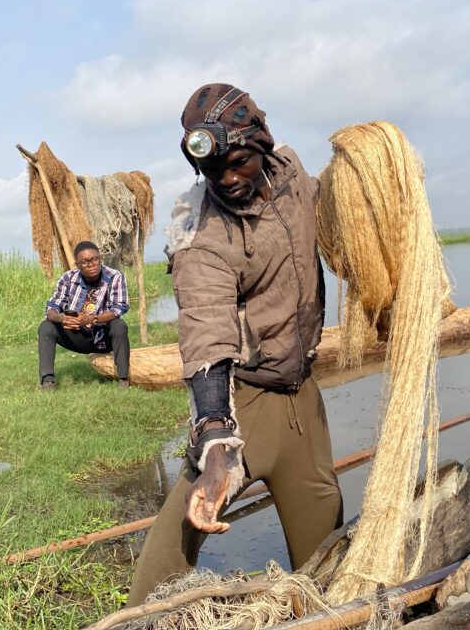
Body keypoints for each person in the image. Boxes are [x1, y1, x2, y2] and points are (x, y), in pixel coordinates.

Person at [127, 84, 343, 606]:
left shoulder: (293, 175)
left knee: (327, 549)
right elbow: (206, 335)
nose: (226, 178)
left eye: (239, 161)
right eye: (212, 169)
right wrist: (216, 448)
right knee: (177, 538)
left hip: (303, 397)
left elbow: (338, 222)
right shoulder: (202, 239)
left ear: (263, 143)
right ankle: (139, 619)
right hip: (243, 402)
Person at [37, 240, 130, 390]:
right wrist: (62, 318)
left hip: (103, 337)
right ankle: (48, 381)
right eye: (85, 262)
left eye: (95, 259)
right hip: (77, 336)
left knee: (119, 325)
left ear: (100, 258)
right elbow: (51, 309)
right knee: (46, 327)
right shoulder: (67, 279)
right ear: (77, 264)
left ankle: (124, 379)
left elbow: (120, 308)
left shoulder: (114, 276)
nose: (91, 264)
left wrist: (91, 318)